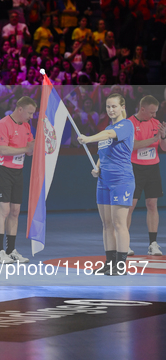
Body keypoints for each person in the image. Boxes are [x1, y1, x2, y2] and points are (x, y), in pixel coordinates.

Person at [78, 94, 135, 276]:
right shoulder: (107, 128)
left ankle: (121, 265)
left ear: (122, 107)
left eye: (114, 106)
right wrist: (97, 167)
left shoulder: (125, 125)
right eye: (109, 107)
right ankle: (109, 263)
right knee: (106, 224)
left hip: (121, 180)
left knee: (119, 224)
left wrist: (88, 139)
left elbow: (110, 135)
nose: (111, 110)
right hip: (103, 181)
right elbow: (104, 154)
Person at [0, 96, 36, 264]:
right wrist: (25, 149)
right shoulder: (3, 124)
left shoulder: (26, 126)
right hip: (2, 170)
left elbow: (30, 149)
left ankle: (11, 251)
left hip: (18, 170)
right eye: (29, 113)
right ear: (20, 110)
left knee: (15, 211)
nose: (31, 116)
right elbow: (2, 150)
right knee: (3, 210)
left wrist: (39, 143)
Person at [126, 95, 166, 256]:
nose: (154, 115)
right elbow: (133, 145)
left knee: (152, 205)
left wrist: (162, 137)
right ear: (142, 109)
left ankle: (153, 244)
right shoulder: (129, 123)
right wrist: (153, 139)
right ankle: (124, 243)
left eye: (155, 112)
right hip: (135, 168)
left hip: (153, 168)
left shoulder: (156, 124)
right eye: (152, 112)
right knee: (130, 206)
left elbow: (163, 147)